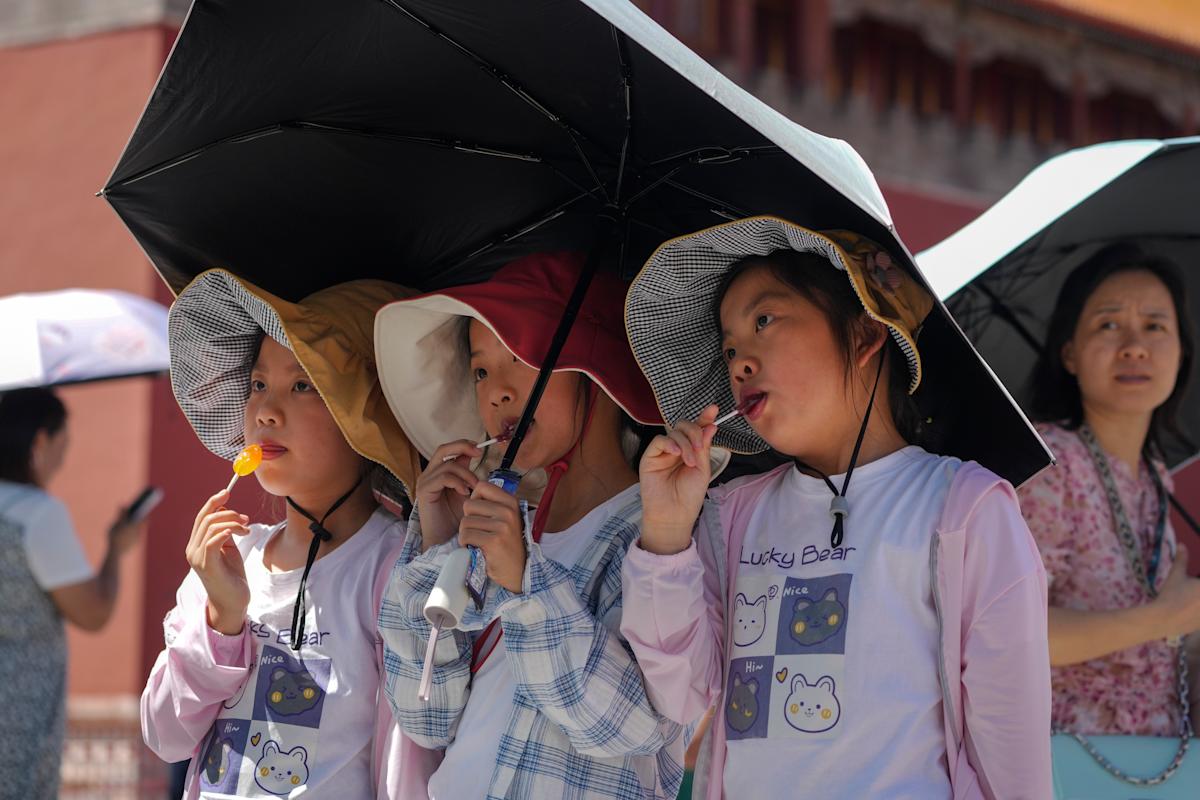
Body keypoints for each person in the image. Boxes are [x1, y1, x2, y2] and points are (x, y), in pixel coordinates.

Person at [619, 217, 1052, 798]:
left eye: (764, 321)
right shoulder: (730, 517)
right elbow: (679, 694)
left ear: (866, 334)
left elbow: (1011, 740)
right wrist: (667, 533)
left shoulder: (964, 510)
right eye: (729, 347)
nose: (739, 362)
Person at [374, 251, 685, 799]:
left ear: (596, 369)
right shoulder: (499, 520)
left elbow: (633, 726)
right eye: (480, 370)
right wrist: (438, 544)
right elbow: (426, 720)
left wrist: (525, 583)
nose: (495, 390)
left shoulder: (661, 531)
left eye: (520, 356)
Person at [140, 270, 437, 798]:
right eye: (258, 385)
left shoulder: (396, 566)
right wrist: (222, 620)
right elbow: (166, 736)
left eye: (303, 385)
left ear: (366, 413)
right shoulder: (229, 558)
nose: (266, 412)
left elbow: (410, 758)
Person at [1018, 243, 1200, 736]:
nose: (1135, 346)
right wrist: (1163, 618)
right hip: (1067, 758)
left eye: (1155, 326)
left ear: (1181, 354)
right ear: (1070, 354)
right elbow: (1012, 632)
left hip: (1157, 761)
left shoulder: (1154, 478)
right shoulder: (1050, 465)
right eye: (1109, 324)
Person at [0, 386, 143, 798]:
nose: (64, 458)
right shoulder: (37, 514)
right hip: (19, 709)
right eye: (63, 443)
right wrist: (116, 549)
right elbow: (93, 612)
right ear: (40, 441)